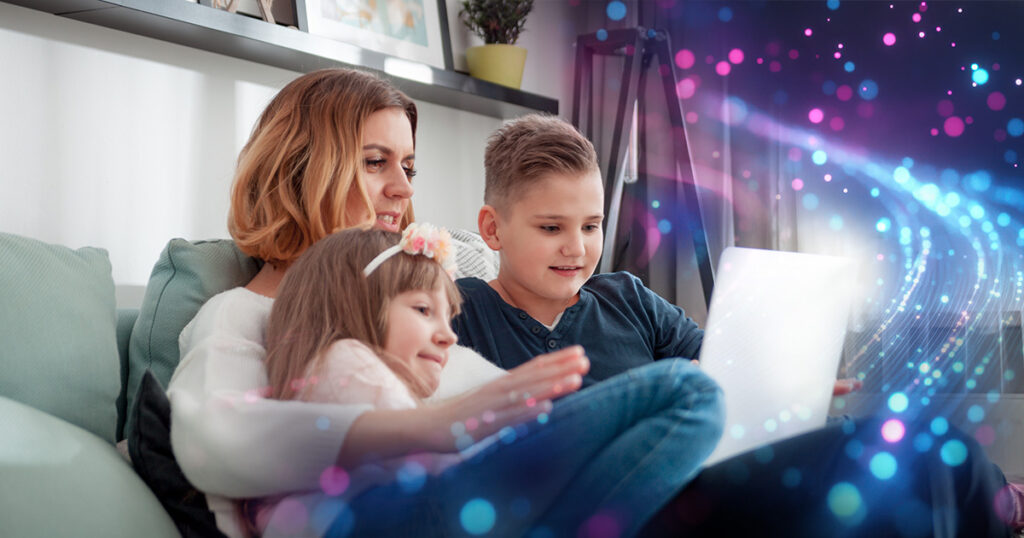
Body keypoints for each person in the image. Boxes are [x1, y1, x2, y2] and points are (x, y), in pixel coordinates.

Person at [167, 67, 722, 538]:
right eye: (375, 162)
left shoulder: (411, 317)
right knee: (685, 393)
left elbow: (505, 419)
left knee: (782, 457)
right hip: (401, 512)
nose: (404, 189)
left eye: (408, 167)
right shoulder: (240, 313)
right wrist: (435, 427)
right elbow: (216, 441)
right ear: (300, 165)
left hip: (498, 502)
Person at [451, 113, 1023, 536]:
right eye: (552, 228)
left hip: (711, 473)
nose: (578, 248)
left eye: (592, 225)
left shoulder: (624, 297)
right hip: (646, 506)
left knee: (917, 447)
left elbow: (724, 363)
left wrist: (785, 388)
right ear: (493, 229)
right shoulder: (460, 312)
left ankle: (1000, 501)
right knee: (920, 460)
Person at [244, 224, 724, 537]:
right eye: (422, 310)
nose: (447, 336)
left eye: (449, 319)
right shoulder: (342, 360)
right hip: (390, 516)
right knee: (688, 391)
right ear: (351, 308)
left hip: (419, 512)